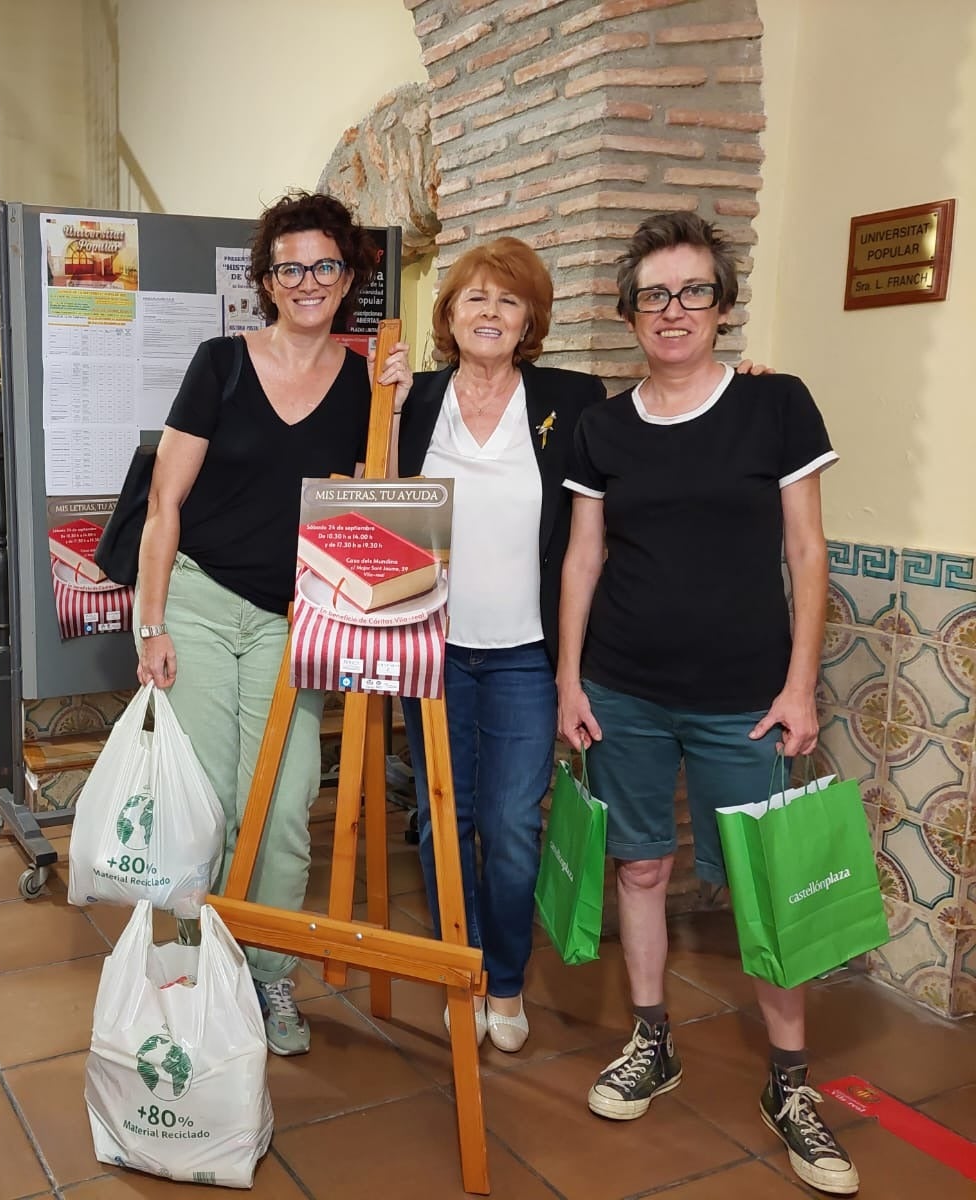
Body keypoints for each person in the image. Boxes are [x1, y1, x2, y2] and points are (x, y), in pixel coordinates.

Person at [557, 212, 855, 1195]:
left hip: (746, 700)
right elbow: (584, 557)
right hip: (622, 691)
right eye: (653, 294)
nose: (672, 309)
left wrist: (799, 682)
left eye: (691, 290)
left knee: (765, 885)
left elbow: (805, 551)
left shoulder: (776, 408)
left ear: (722, 306)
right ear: (630, 314)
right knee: (639, 871)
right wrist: (568, 681)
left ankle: (789, 1085)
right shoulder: (600, 428)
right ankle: (653, 1042)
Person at [134, 190, 411, 1057]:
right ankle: (183, 971)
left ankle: (266, 976)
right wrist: (151, 624)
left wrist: (392, 413)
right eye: (289, 267)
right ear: (266, 279)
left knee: (287, 803)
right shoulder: (220, 364)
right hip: (203, 604)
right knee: (204, 802)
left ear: (349, 275)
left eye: (324, 265)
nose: (307, 280)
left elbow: (382, 508)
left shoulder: (370, 379)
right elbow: (163, 503)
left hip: (300, 620)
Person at [393, 239, 605, 1052]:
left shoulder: (574, 400)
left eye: (508, 301)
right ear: (447, 315)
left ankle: (506, 980)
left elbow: (654, 428)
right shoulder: (412, 404)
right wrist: (377, 397)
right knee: (443, 817)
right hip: (431, 647)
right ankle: (464, 965)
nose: (489, 312)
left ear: (530, 321)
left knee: (512, 823)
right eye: (473, 297)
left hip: (524, 653)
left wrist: (750, 390)